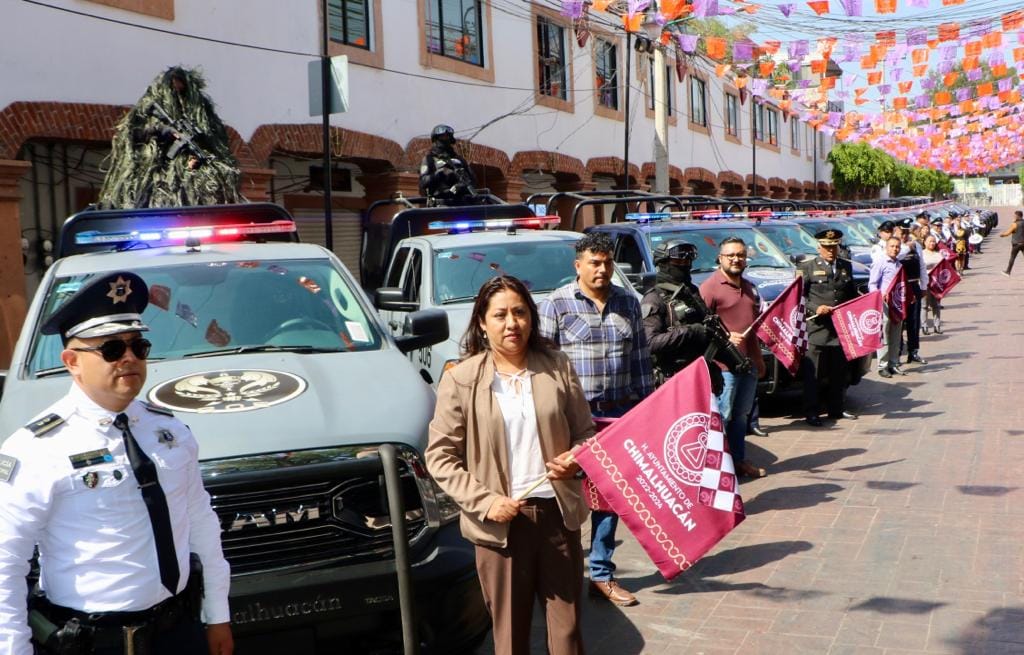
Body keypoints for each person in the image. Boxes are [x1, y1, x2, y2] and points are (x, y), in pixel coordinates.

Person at [0, 272, 232, 655]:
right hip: (94, 642)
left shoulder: (169, 431)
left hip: (178, 632)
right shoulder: (36, 448)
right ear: (72, 361)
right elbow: (6, 562)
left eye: (138, 346)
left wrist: (217, 612)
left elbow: (200, 521)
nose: (128, 358)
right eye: (111, 349)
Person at [426, 276, 591, 655]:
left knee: (567, 633)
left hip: (557, 517)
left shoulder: (557, 367)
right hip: (501, 527)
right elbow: (439, 456)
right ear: (482, 322)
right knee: (511, 636)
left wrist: (575, 459)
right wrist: (486, 502)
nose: (511, 323)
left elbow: (585, 433)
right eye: (499, 315)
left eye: (519, 312)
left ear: (531, 318)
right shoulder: (462, 379)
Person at [538, 232, 652, 607]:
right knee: (561, 492)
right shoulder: (556, 305)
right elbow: (542, 366)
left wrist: (645, 410)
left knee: (608, 497)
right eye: (594, 263)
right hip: (572, 417)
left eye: (606, 263)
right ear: (578, 266)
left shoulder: (628, 303)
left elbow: (639, 359)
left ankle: (601, 573)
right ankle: (558, 573)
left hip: (616, 414)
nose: (602, 270)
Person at [699, 237, 766, 478]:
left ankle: (738, 461)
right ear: (720, 258)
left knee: (740, 416)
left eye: (740, 255)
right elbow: (700, 330)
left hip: (747, 365)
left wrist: (758, 360)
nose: (736, 259)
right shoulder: (709, 288)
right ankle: (718, 468)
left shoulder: (749, 287)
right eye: (731, 255)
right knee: (723, 417)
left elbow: (754, 328)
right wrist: (726, 339)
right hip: (723, 367)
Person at [799, 229, 859, 427]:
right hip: (816, 328)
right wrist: (816, 308)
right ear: (819, 247)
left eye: (834, 247)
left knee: (838, 373)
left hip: (839, 329)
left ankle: (836, 408)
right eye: (827, 247)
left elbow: (851, 295)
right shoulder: (807, 267)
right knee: (813, 374)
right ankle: (812, 412)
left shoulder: (844, 267)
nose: (831, 251)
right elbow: (799, 298)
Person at [640, 240, 713, 386]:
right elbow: (649, 343)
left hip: (698, 375)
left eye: (689, 259)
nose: (685, 263)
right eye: (679, 259)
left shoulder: (691, 292)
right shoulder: (654, 298)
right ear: (664, 263)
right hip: (672, 380)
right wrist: (689, 332)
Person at [870, 237, 906, 378]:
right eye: (892, 246)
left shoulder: (899, 265)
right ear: (886, 247)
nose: (894, 249)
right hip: (884, 304)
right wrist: (880, 295)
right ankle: (882, 366)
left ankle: (894, 363)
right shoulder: (880, 262)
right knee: (884, 335)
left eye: (897, 247)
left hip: (897, 305)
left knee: (896, 335)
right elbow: (872, 284)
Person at [418, 124, 478, 206]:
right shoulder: (429, 159)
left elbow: (473, 181)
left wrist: (460, 186)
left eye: (447, 137)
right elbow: (423, 182)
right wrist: (440, 173)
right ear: (436, 139)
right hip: (440, 205)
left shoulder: (459, 159)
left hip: (462, 204)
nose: (445, 139)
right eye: (442, 137)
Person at [899, 220, 928, 365]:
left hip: (913, 285)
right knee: (898, 322)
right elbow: (894, 258)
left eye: (906, 233)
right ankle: (896, 355)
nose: (904, 236)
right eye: (901, 233)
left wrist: (924, 285)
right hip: (898, 289)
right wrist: (905, 248)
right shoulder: (893, 247)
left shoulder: (916, 245)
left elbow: (922, 265)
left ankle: (913, 351)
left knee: (914, 321)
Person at [921, 234, 944, 335]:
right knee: (924, 306)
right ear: (924, 242)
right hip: (924, 283)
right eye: (930, 241)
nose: (932, 243)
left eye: (934, 241)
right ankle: (924, 326)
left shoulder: (939, 254)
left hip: (936, 284)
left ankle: (937, 325)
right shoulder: (921, 254)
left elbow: (944, 268)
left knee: (936, 305)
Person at [999, 209, 1024, 277]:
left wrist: (1002, 235)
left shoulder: (1015, 224)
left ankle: (1008, 272)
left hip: (1016, 244)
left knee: (1012, 258)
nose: (1014, 217)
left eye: (1014, 215)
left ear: (1017, 216)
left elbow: (1008, 233)